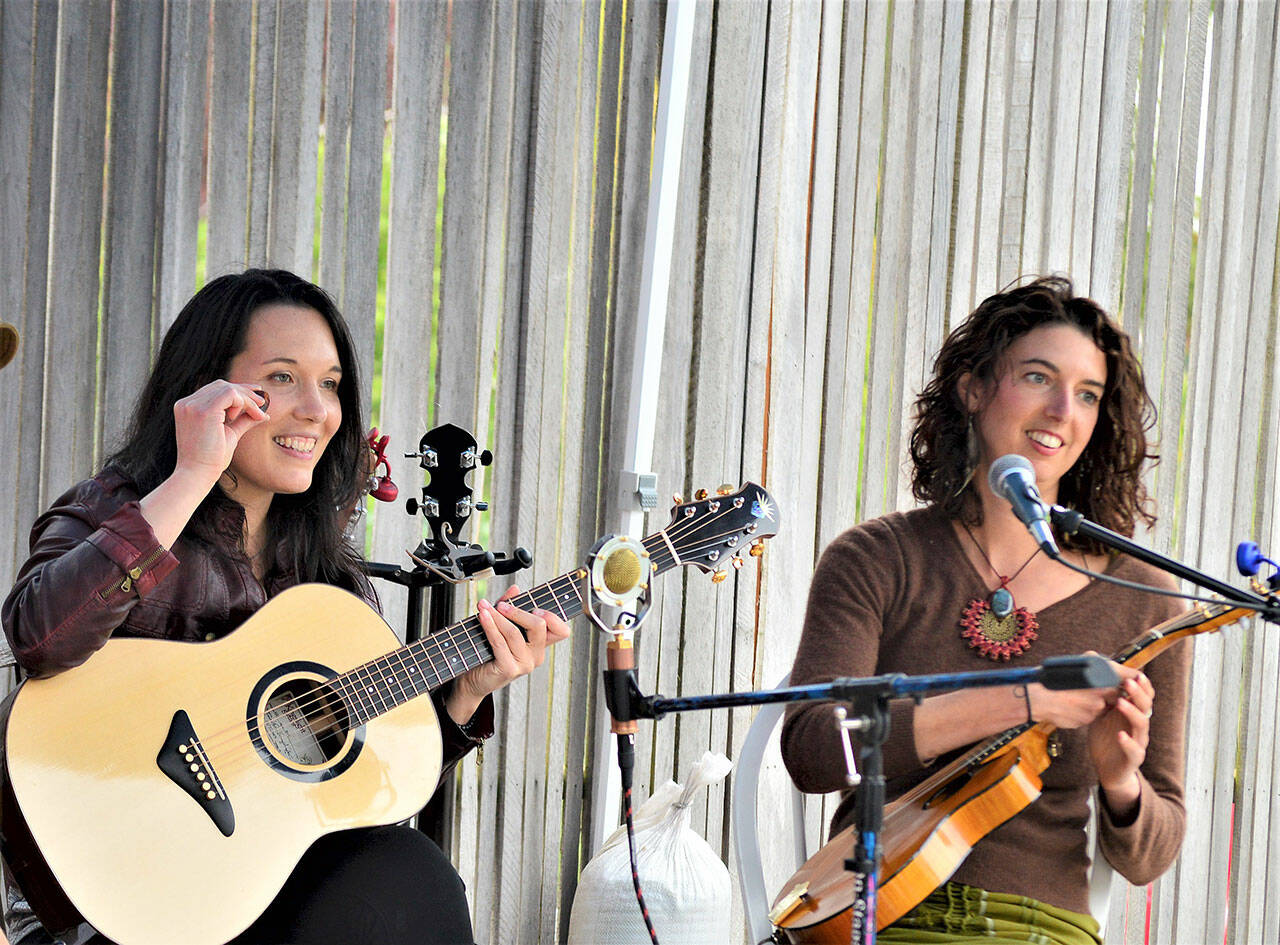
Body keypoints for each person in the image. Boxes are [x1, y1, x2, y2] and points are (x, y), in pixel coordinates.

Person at [1, 269, 569, 945]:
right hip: (110, 901)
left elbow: (353, 793)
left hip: (250, 893)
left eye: (330, 383)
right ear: (207, 387)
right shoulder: (119, 508)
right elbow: (40, 636)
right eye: (282, 377)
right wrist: (191, 476)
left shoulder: (332, 583)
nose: (315, 408)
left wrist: (465, 694)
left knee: (403, 877)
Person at [781, 276, 1191, 944]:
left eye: (1087, 394)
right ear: (973, 389)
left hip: (1040, 924)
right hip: (876, 914)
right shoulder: (876, 559)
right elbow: (815, 750)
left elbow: (1151, 852)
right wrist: (1022, 700)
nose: (1064, 409)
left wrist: (1120, 779)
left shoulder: (1143, 596)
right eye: (1038, 376)